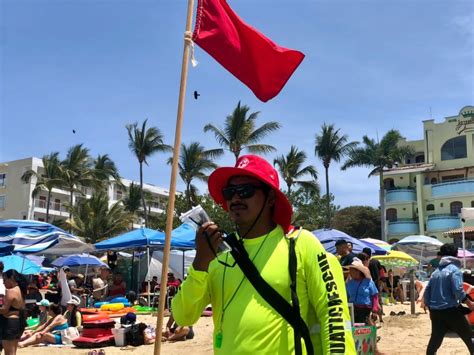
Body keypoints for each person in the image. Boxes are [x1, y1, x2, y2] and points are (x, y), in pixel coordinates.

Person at [172, 155, 356, 354]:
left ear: (270, 198)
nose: (236, 198)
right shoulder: (219, 259)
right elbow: (183, 317)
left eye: (245, 190)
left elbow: (334, 315)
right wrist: (200, 263)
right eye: (230, 192)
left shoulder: (300, 244)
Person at [424, 243, 474, 355]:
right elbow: (457, 290)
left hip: (435, 312)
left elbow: (427, 292)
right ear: (456, 255)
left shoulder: (435, 273)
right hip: (451, 311)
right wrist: (469, 303)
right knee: (469, 336)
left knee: (435, 341)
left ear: (441, 255)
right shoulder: (454, 270)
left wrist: (430, 308)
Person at [0, 269, 27, 355]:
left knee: (8, 353)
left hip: (9, 324)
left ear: (11, 278)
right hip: (18, 323)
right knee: (13, 352)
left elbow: (4, 310)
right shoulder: (21, 291)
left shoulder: (11, 291)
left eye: (5, 280)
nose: (4, 283)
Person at [345, 259, 379, 325]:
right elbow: (346, 296)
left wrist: (375, 310)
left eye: (351, 271)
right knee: (352, 327)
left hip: (365, 309)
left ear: (358, 271)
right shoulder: (349, 283)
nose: (350, 273)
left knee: (364, 328)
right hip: (352, 309)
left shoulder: (368, 282)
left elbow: (374, 296)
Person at [362, 247, 383, 322]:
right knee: (377, 302)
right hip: (376, 284)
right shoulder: (376, 261)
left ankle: (373, 318)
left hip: (367, 285)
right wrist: (380, 281)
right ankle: (380, 318)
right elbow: (381, 272)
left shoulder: (364, 264)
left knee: (371, 302)